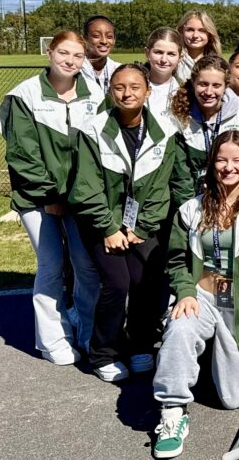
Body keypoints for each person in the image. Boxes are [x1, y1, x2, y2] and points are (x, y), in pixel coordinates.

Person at [151, 132, 239, 460]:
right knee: (180, 327)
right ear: (211, 163)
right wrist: (185, 292)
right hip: (202, 296)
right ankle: (172, 411)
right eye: (221, 160)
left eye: (237, 160)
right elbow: (176, 260)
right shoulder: (190, 209)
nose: (228, 167)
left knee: (232, 398)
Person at [69, 64, 182, 382]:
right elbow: (86, 188)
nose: (127, 93)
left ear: (147, 91)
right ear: (110, 91)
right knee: (117, 284)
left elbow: (161, 187)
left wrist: (141, 228)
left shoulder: (163, 131)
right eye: (119, 87)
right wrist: (108, 228)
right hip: (100, 222)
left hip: (141, 223)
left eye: (135, 87)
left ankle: (140, 345)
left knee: (147, 279)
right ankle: (103, 352)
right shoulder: (92, 131)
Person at [0, 31, 104, 366]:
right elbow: (22, 155)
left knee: (86, 267)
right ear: (49, 51)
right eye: (63, 53)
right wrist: (49, 196)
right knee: (51, 265)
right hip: (37, 199)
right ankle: (53, 340)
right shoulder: (24, 95)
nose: (70, 61)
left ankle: (88, 334)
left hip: (81, 198)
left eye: (77, 56)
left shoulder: (95, 93)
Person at [170, 55, 239, 200]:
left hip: (236, 196)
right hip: (193, 198)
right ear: (193, 83)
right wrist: (191, 209)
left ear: (226, 86)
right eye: (203, 84)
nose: (209, 92)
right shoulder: (178, 116)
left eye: (216, 85)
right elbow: (181, 176)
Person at [145, 28, 184, 122]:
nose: (163, 59)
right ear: (147, 53)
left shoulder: (183, 92)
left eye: (171, 54)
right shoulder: (132, 86)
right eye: (158, 52)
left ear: (180, 58)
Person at [176, 10, 222, 82]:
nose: (195, 35)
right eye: (190, 30)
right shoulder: (173, 62)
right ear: (181, 32)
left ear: (210, 35)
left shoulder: (218, 65)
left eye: (202, 31)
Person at [81, 15, 120, 94]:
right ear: (84, 39)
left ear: (114, 40)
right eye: (96, 36)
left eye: (109, 37)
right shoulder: (75, 70)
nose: (104, 41)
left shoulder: (119, 70)